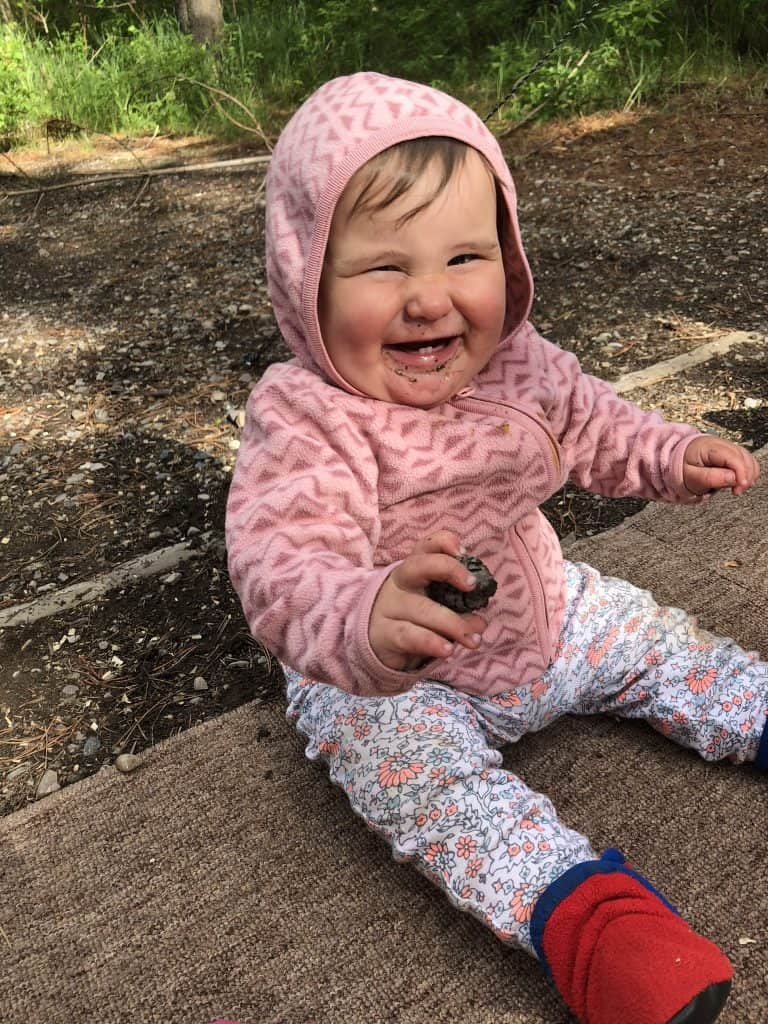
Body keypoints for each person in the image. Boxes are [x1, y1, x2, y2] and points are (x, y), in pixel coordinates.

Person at [225, 71, 765, 1024]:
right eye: (384, 268)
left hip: (547, 611)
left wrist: (669, 455)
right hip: (403, 675)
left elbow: (593, 421)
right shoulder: (308, 417)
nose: (429, 300)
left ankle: (755, 710)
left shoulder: (515, 359)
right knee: (411, 778)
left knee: (660, 642)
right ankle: (593, 927)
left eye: (465, 257)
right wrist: (362, 617)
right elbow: (280, 559)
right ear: (306, 275)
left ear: (508, 259)